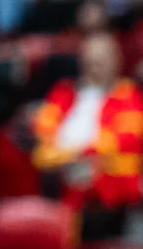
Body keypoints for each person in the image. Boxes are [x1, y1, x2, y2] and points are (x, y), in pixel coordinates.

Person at [30, 31, 143, 234]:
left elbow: (122, 141)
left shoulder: (128, 97)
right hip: (60, 177)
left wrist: (72, 155)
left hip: (107, 190)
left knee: (84, 176)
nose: (94, 67)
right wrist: (63, 157)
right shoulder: (63, 92)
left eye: (101, 61)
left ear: (116, 61)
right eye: (89, 60)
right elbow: (43, 134)